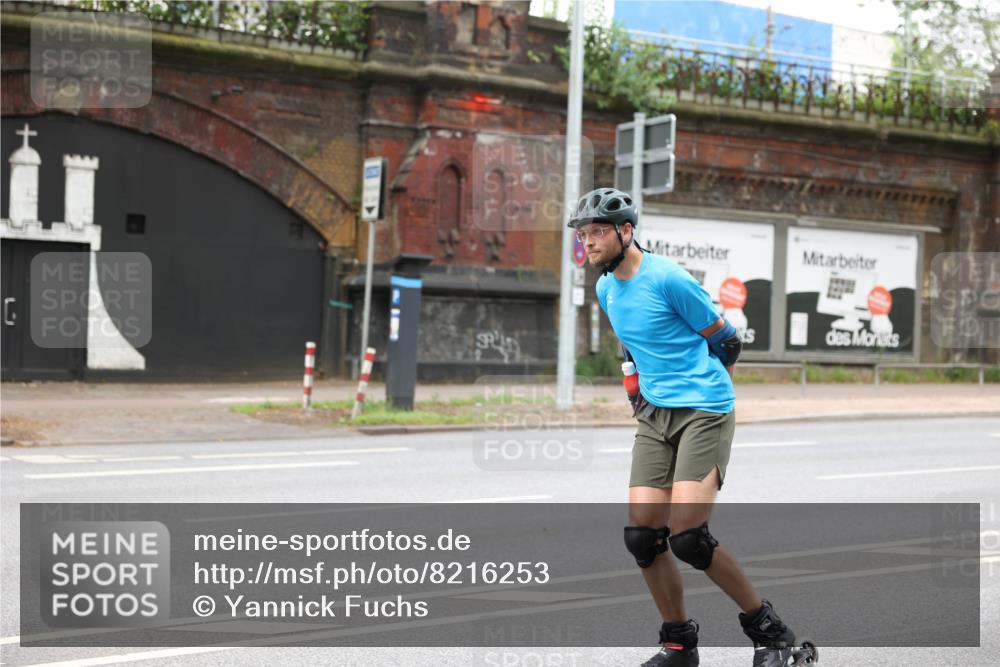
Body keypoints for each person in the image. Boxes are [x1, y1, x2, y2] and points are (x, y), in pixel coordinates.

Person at [569, 188, 816, 667]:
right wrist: (637, 392)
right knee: (642, 537)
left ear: (625, 231)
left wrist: (708, 390)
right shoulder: (605, 288)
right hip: (654, 414)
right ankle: (679, 644)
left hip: (704, 409)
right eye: (583, 234)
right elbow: (634, 347)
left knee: (688, 538)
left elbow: (727, 341)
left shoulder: (668, 279)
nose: (589, 241)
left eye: (597, 231)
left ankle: (773, 636)